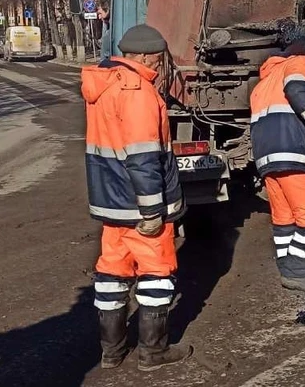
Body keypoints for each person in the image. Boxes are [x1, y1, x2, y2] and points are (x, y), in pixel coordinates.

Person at [81, 24, 191, 371]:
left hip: (111, 204)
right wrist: (152, 210)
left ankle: (111, 353)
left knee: (112, 274)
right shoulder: (137, 91)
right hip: (139, 207)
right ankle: (153, 353)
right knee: (157, 274)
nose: (159, 68)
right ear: (143, 56)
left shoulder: (104, 84)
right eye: (157, 60)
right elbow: (143, 157)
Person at [249, 40, 305, 292]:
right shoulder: (298, 62)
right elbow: (297, 89)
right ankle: (297, 272)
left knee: (285, 218)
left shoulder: (265, 80)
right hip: (295, 152)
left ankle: (287, 268)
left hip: (268, 159)